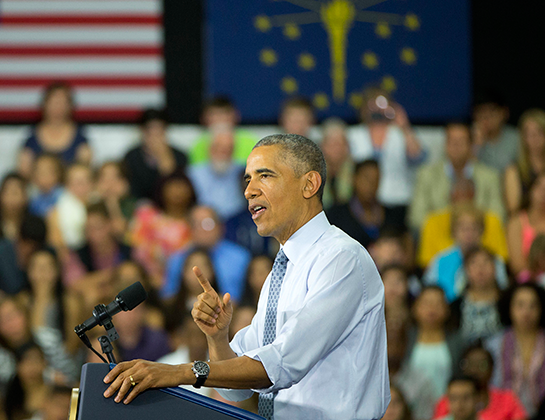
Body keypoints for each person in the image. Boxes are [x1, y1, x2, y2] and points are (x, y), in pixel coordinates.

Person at [103, 134, 389, 420]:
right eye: (247, 179)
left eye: (264, 176)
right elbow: (236, 389)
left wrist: (177, 372)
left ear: (309, 184)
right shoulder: (283, 269)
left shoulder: (342, 258)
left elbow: (280, 365)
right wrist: (217, 339)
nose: (249, 191)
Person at [410, 122, 504, 231]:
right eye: (452, 141)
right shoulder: (426, 175)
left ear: (471, 145)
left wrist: (470, 229)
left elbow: (498, 216)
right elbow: (416, 218)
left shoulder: (490, 176)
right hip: (438, 236)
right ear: (445, 144)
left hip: (479, 239)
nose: (456, 146)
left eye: (461, 141)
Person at [347, 89, 425, 207]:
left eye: (382, 105)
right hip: (362, 200)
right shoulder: (354, 134)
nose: (377, 110)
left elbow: (418, 157)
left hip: (397, 199)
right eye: (372, 105)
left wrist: (404, 125)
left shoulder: (400, 134)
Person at [162, 206, 251, 302]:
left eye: (208, 224)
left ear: (220, 226)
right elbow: (168, 297)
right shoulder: (177, 260)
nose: (202, 230)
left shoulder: (240, 257)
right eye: (196, 224)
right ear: (189, 229)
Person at [418, 178, 508, 269]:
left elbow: (502, 259)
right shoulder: (432, 222)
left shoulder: (492, 220)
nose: (462, 202)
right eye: (463, 229)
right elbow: (426, 264)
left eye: (473, 228)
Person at [424, 205, 508, 302]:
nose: (468, 233)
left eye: (473, 228)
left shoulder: (494, 260)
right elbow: (428, 291)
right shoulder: (440, 260)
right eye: (463, 228)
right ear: (453, 231)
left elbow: (503, 291)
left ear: (482, 231)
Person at [485, 283, 545, 416]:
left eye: (533, 305)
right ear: (509, 308)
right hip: (503, 414)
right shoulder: (494, 344)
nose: (526, 312)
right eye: (520, 305)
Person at [129, 173, 195, 286]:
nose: (177, 191)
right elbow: (134, 247)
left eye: (181, 186)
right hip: (143, 281)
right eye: (172, 186)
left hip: (180, 284)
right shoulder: (146, 215)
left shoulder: (193, 223)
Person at [17, 82, 91, 179]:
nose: (58, 107)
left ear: (70, 105)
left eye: (62, 102)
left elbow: (85, 172)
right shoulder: (31, 136)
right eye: (54, 102)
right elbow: (23, 172)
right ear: (44, 104)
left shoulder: (81, 138)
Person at [327, 159, 406, 248]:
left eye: (376, 179)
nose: (371, 184)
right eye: (367, 178)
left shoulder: (393, 217)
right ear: (354, 179)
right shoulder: (336, 215)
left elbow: (406, 246)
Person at [433, 345, 527, 420]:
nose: (475, 370)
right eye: (470, 364)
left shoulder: (508, 400)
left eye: (482, 365)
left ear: (492, 369)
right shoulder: (446, 402)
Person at [406, 286, 465, 402]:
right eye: (426, 303)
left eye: (438, 303)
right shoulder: (406, 339)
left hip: (446, 406)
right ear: (415, 308)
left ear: (447, 309)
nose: (431, 308)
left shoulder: (457, 340)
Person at [0, 216, 47, 305]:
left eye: (33, 248)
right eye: (25, 244)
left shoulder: (47, 255)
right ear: (18, 238)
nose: (27, 250)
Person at [123, 109, 188, 201]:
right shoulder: (131, 157)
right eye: (150, 130)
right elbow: (130, 190)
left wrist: (165, 159)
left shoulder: (180, 156)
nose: (155, 135)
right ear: (142, 131)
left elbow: (181, 190)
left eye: (159, 130)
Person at [187, 126, 248, 222]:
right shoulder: (193, 174)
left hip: (237, 223)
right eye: (219, 148)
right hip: (203, 222)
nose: (223, 153)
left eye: (228, 149)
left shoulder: (244, 172)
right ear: (210, 148)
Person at [448, 247, 504, 345]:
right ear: (466, 270)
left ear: (495, 268)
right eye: (474, 263)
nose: (480, 268)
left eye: (486, 262)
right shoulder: (455, 305)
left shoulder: (507, 302)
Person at [189, 97, 258, 165]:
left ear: (236, 116)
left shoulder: (250, 142)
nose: (220, 119)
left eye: (224, 114)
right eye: (214, 114)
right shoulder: (199, 144)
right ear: (203, 119)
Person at [504, 109, 545, 214]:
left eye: (539, 132)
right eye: (529, 133)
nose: (534, 138)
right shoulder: (513, 171)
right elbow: (513, 209)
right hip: (527, 224)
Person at [472, 92, 519, 173]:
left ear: (504, 112)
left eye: (492, 111)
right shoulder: (466, 137)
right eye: (481, 112)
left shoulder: (516, 138)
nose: (486, 117)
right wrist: (476, 146)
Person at [508, 173, 545, 276]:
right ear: (531, 191)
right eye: (540, 189)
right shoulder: (516, 223)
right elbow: (517, 266)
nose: (544, 194)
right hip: (528, 281)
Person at [3, 342, 50, 420]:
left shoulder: (56, 391)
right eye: (26, 362)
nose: (32, 368)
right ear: (17, 366)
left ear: (44, 363)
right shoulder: (10, 396)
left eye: (36, 361)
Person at [319, 117, 353, 210]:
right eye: (332, 144)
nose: (337, 149)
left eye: (340, 143)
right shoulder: (312, 173)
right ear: (322, 146)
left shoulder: (356, 173)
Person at [27, 153, 64, 219]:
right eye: (40, 172)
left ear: (59, 173)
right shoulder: (33, 199)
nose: (44, 176)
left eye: (48, 171)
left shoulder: (63, 196)